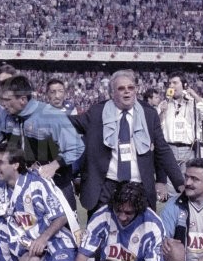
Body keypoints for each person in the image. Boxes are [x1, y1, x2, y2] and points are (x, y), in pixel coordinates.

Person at [71, 69, 183, 214]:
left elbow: (162, 150)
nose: (127, 92)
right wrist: (43, 117)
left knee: (139, 234)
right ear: (112, 93)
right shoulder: (97, 112)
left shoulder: (149, 114)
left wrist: (179, 183)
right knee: (103, 234)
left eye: (131, 88)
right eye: (121, 88)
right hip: (105, 188)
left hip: (139, 187)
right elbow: (71, 124)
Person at [0, 75, 84, 210]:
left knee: (63, 227)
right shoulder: (5, 115)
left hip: (55, 183)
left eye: (7, 100)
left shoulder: (51, 115)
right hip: (22, 185)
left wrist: (53, 165)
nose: (3, 104)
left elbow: (77, 146)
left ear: (22, 100)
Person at [158, 72, 203, 186]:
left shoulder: (193, 102)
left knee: (189, 183)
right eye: (170, 83)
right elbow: (157, 127)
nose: (172, 86)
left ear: (184, 85)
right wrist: (162, 112)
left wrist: (194, 95)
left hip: (189, 150)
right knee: (170, 184)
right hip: (169, 149)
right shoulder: (164, 104)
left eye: (175, 83)